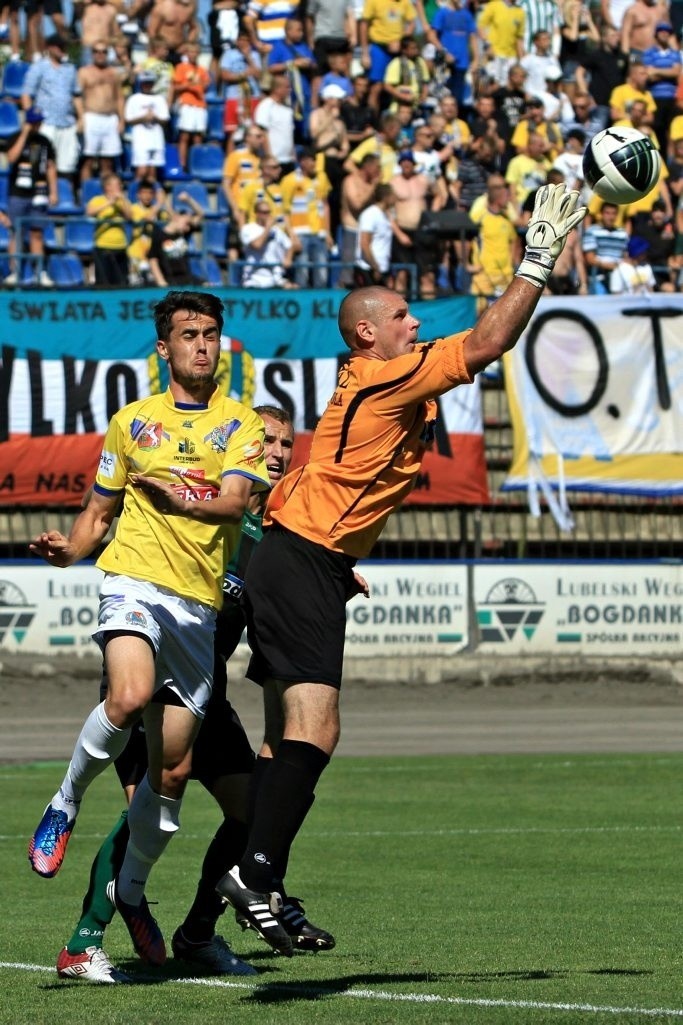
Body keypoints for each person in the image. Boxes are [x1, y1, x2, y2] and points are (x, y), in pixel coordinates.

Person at [216, 182, 587, 957]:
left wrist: (323, 556)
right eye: (400, 317)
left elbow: (316, 479)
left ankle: (227, 903)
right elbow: (486, 342)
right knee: (316, 728)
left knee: (286, 743)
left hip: (304, 555)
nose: (414, 322)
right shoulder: (385, 375)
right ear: (364, 334)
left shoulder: (371, 380)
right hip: (303, 559)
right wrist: (539, 257)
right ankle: (254, 873)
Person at [28, 291, 271, 969]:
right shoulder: (132, 422)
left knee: (175, 775)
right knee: (127, 695)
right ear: (163, 349)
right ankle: (64, 802)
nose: (203, 343)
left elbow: (230, 501)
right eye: (190, 334)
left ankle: (129, 890)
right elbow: (99, 511)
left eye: (211, 333)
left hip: (196, 608)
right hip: (134, 582)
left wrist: (179, 494)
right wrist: (71, 550)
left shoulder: (240, 425)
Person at [56, 407, 333, 983]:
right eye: (267, 441)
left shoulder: (273, 543)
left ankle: (198, 934)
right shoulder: (199, 514)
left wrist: (323, 584)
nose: (278, 453)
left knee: (252, 811)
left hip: (207, 698)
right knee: (153, 804)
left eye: (286, 443)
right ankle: (84, 942)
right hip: (151, 689)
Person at [3, 106, 58, 289]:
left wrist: (54, 191)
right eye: (34, 121)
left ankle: (39, 272)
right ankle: (14, 272)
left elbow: (50, 166)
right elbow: (11, 158)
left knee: (37, 233)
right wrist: (25, 134)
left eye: (39, 121)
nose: (38, 125)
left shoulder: (45, 141)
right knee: (15, 233)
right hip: (18, 194)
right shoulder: (15, 137)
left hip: (39, 194)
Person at [21, 33, 83, 182]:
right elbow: (26, 94)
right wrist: (32, 118)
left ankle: (63, 197)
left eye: (64, 46)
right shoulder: (39, 67)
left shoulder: (71, 69)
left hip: (67, 123)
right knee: (40, 162)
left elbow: (76, 95)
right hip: (46, 123)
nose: (62, 49)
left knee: (67, 164)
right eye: (59, 46)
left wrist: (81, 117)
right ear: (50, 47)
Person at [78, 40, 126, 183]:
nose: (100, 55)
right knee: (88, 159)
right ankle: (85, 192)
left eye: (104, 51)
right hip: (91, 117)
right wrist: (81, 117)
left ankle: (106, 194)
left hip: (110, 118)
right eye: (97, 51)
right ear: (92, 54)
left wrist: (122, 120)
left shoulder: (114, 73)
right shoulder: (84, 72)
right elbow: (78, 97)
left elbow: (119, 98)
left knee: (108, 161)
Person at [86, 172, 133, 286]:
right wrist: (109, 202)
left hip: (120, 246)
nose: (120, 187)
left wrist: (123, 201)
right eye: (117, 184)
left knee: (121, 281)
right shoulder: (97, 200)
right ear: (107, 186)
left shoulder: (123, 201)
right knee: (103, 282)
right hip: (103, 247)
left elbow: (129, 216)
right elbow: (90, 212)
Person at [124, 70, 170, 181]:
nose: (147, 85)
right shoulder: (134, 99)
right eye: (145, 83)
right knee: (141, 171)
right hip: (141, 140)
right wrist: (143, 118)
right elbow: (128, 119)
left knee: (152, 174)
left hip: (156, 139)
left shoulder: (159, 99)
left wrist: (155, 117)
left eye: (150, 83)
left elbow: (165, 119)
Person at [240, 202, 298, 288]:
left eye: (268, 212)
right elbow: (257, 245)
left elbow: (290, 245)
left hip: (275, 278)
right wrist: (267, 228)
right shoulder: (248, 229)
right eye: (264, 212)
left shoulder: (276, 230)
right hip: (254, 278)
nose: (267, 215)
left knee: (294, 288)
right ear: (257, 213)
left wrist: (288, 258)